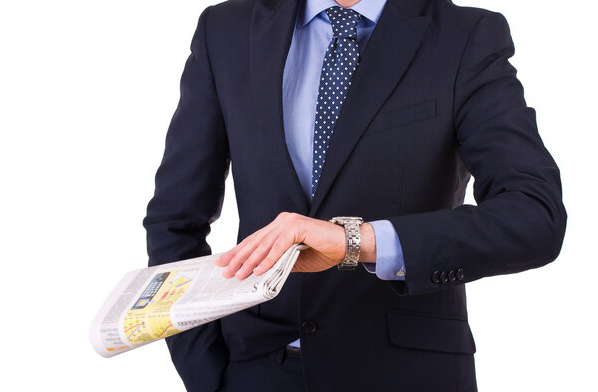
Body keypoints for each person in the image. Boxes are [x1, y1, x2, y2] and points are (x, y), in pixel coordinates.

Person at [143, 0, 567, 390]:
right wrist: (207, 374)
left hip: (407, 375)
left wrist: (354, 242)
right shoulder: (226, 29)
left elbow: (534, 215)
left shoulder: (464, 35)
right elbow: (175, 220)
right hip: (256, 371)